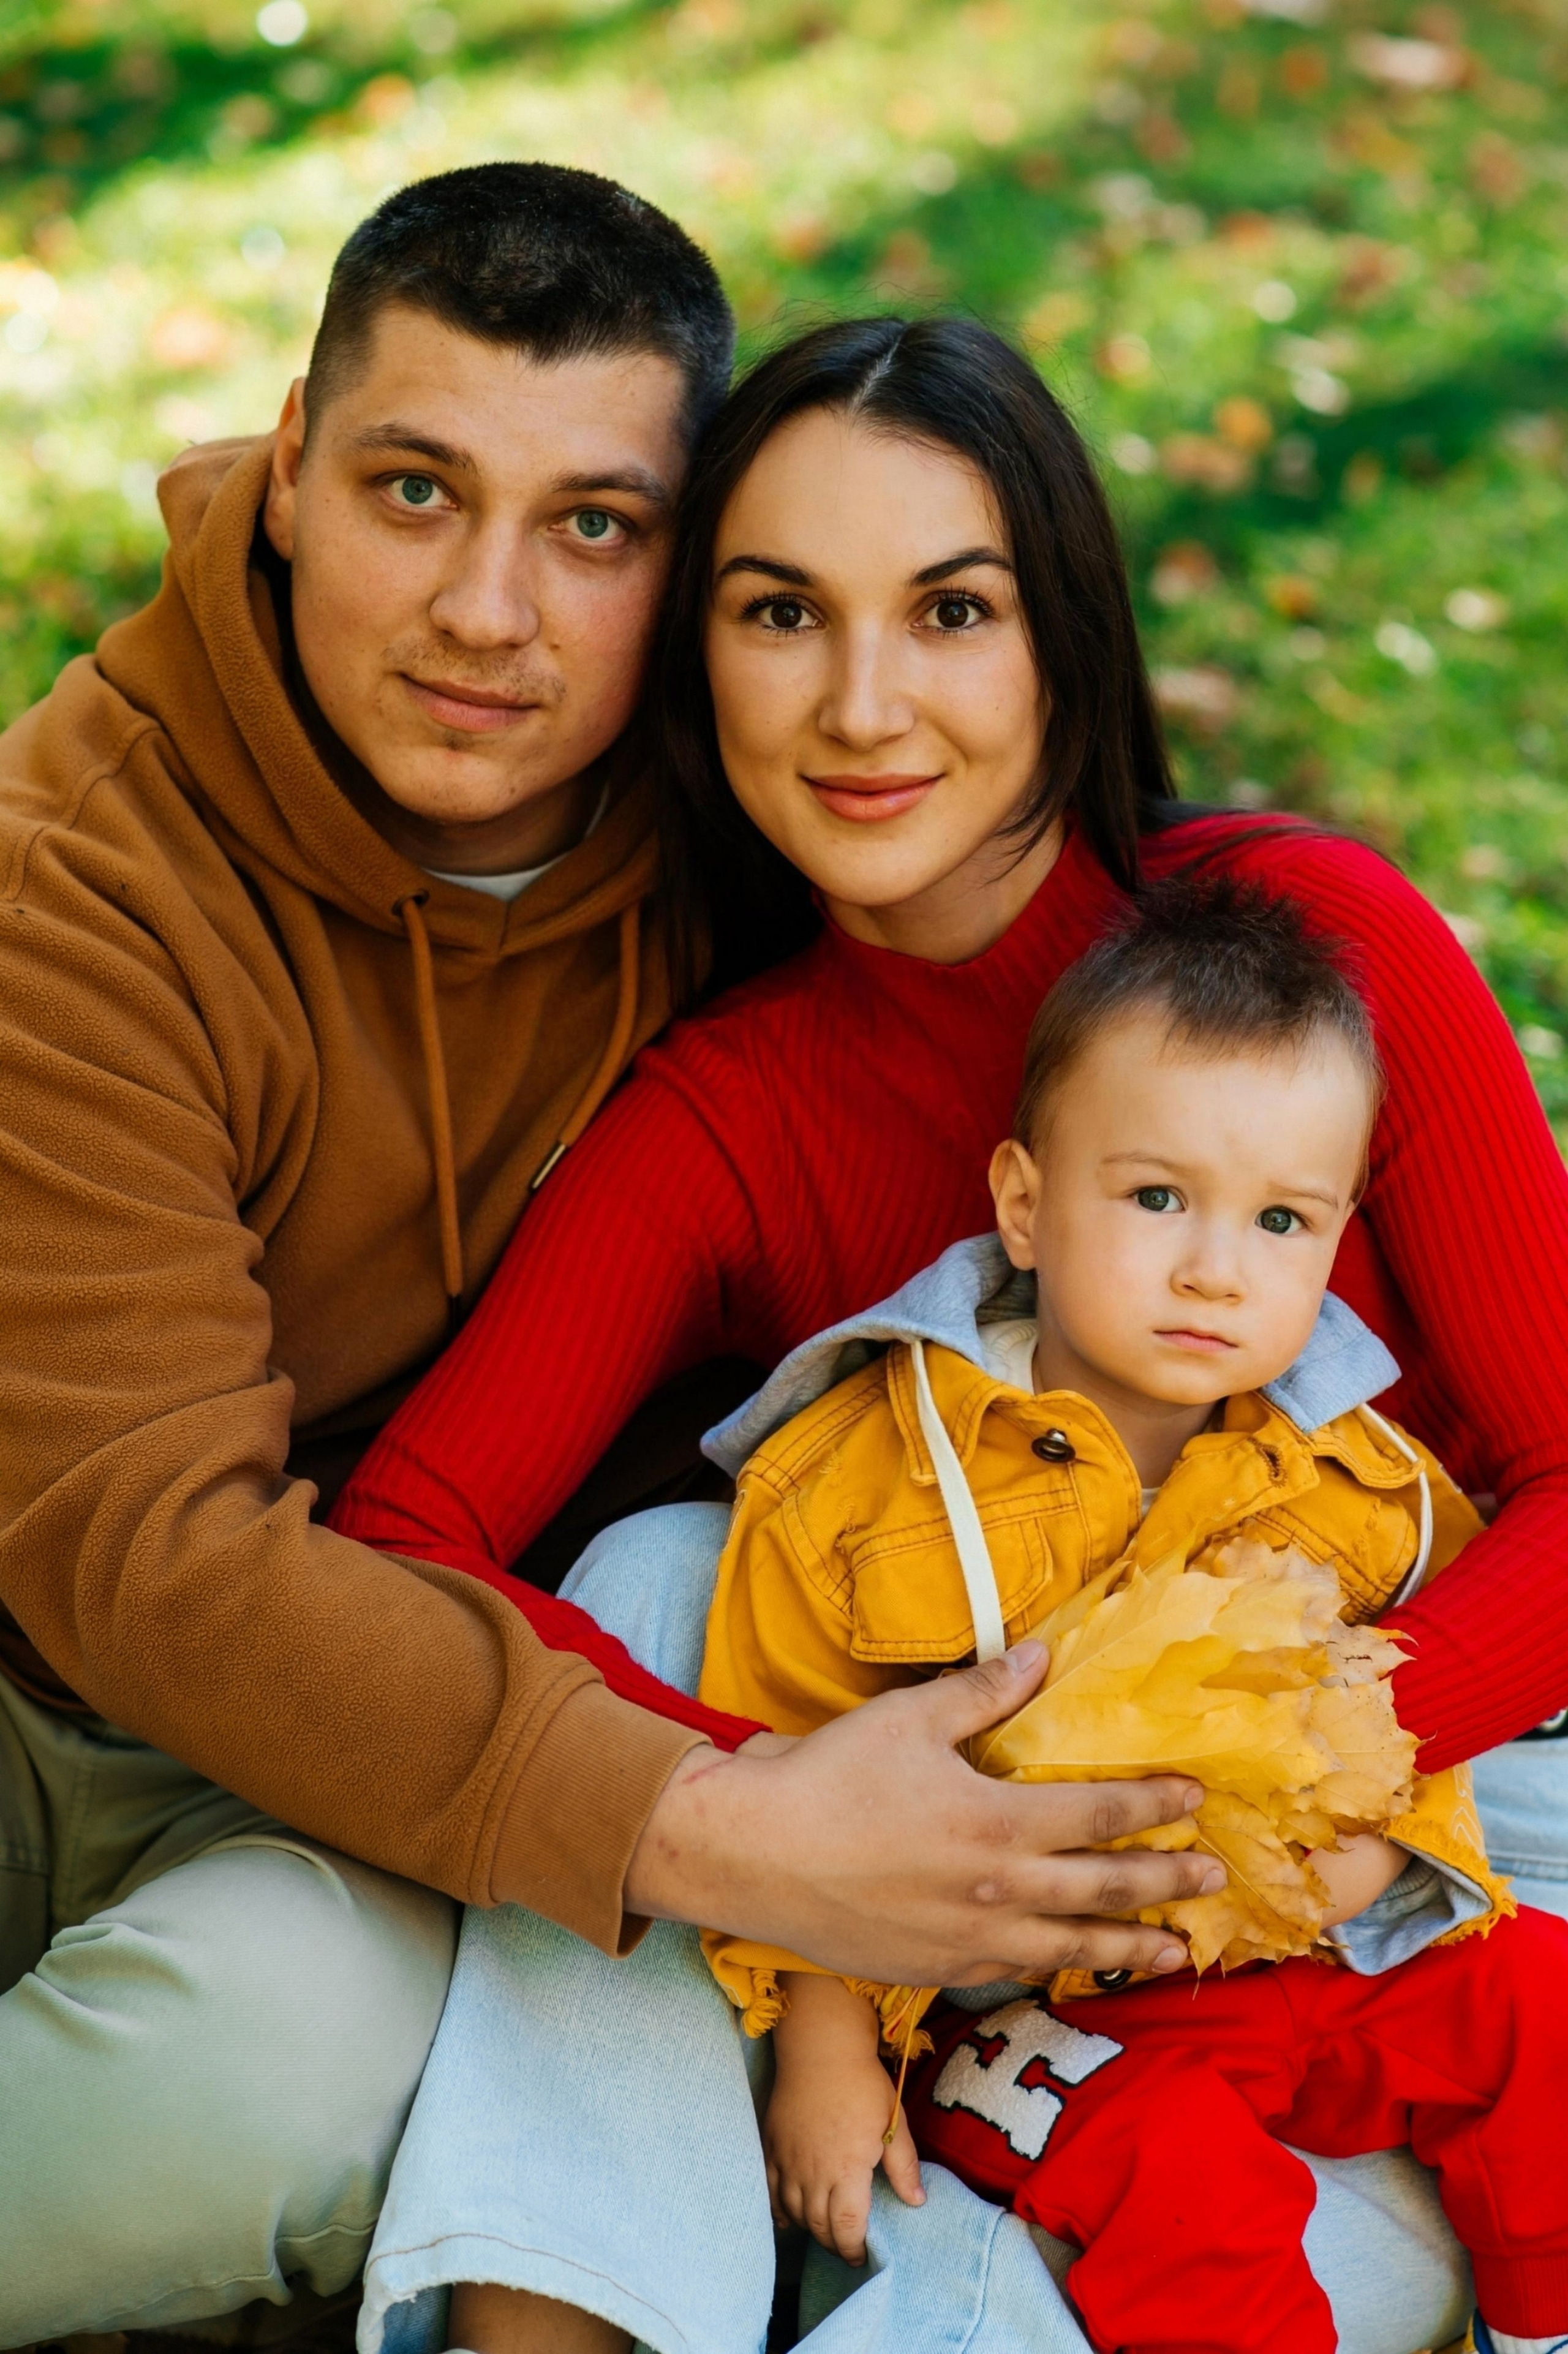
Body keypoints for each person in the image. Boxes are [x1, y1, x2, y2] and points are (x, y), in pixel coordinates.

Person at [0, 183, 1219, 2345]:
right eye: (413, 490)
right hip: (66, 1690)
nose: (488, 612)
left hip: (409, 1746)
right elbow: (151, 1563)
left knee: (316, 2053)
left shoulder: (753, 816)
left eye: (592, 526)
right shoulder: (74, 896)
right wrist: (725, 1822)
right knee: (296, 2059)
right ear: (288, 468)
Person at [336, 317, 1567, 2354]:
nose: (862, 703)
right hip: (976, 1941)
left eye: (950, 610)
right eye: (780, 613)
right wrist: (789, 1819)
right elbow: (404, 1544)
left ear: (1060, 637)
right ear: (698, 659)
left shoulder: (1306, 957)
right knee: (657, 1577)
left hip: (1423, 1863)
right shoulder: (729, 1114)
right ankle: (560, 2322)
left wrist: (1254, 1763)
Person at [697, 878, 1564, 2354]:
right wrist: (827, 2051)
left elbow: (1413, 1731)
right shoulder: (869, 1476)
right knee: (1192, 2190)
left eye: (1279, 1219)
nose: (1214, 1267)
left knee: (1539, 2001)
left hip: (1287, 1958)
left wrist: (1376, 1851)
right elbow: (782, 1778)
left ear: (1333, 1240)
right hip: (1022, 2010)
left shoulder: (1364, 1484)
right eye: (1156, 1197)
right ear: (1024, 1204)